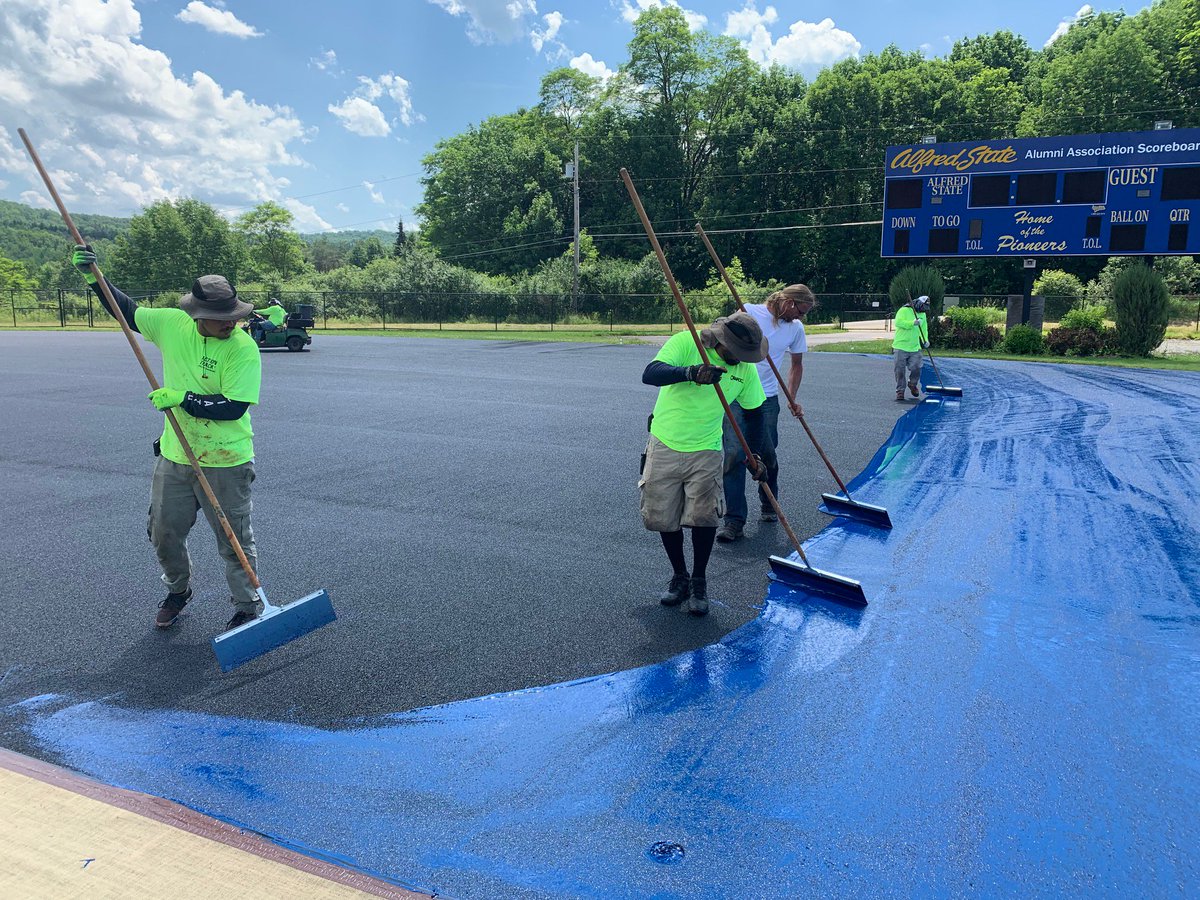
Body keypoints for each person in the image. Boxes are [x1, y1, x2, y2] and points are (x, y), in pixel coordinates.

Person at [71, 245, 265, 632]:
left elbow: (234, 407)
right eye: (220, 318)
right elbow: (123, 308)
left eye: (234, 316)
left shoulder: (243, 348)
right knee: (163, 531)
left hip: (226, 460)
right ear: (197, 316)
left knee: (233, 539)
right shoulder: (171, 325)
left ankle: (248, 605)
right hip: (176, 455)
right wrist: (95, 277)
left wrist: (184, 399)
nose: (230, 323)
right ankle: (178, 590)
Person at [640, 312, 769, 616]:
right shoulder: (687, 343)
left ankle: (699, 581)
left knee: (704, 517)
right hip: (664, 443)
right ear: (722, 343)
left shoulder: (745, 371)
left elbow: (755, 413)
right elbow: (651, 373)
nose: (742, 360)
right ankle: (679, 577)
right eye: (738, 354)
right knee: (663, 516)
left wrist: (754, 453)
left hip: (708, 449)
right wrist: (691, 372)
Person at [716, 284, 816, 543]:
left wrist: (792, 398)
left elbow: (796, 365)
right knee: (734, 456)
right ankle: (734, 521)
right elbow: (722, 340)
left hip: (767, 399)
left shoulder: (795, 329)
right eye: (800, 311)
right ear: (788, 302)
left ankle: (769, 502)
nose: (800, 318)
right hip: (736, 394)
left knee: (767, 454)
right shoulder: (747, 311)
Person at [892, 294, 930, 401]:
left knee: (917, 368)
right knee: (899, 370)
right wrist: (912, 323)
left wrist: (925, 341)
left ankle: (912, 384)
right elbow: (898, 323)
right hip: (901, 346)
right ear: (918, 304)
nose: (923, 310)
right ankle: (900, 391)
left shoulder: (922, 314)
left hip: (915, 347)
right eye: (922, 308)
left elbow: (924, 329)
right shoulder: (904, 310)